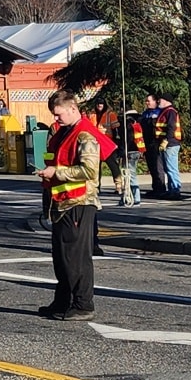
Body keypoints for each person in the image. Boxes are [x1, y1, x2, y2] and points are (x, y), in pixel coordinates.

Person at [34, 90, 113, 319]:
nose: (55, 119)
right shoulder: (65, 132)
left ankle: (83, 304)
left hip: (78, 202)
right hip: (62, 202)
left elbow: (89, 170)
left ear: (73, 109)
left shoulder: (84, 135)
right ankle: (63, 301)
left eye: (58, 114)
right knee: (62, 256)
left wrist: (56, 172)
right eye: (53, 115)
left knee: (76, 257)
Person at [153, 92, 185, 200]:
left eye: (160, 100)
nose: (158, 101)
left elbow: (171, 127)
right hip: (167, 143)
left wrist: (166, 139)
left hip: (170, 143)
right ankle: (172, 190)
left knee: (171, 168)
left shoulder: (170, 112)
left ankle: (175, 190)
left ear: (166, 100)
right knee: (168, 168)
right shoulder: (166, 111)